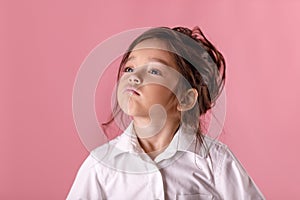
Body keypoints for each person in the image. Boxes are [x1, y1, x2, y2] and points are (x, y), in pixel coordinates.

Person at [67, 26, 265, 200]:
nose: (134, 77)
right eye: (129, 68)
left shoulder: (215, 161)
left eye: (154, 71)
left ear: (186, 99)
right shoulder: (101, 165)